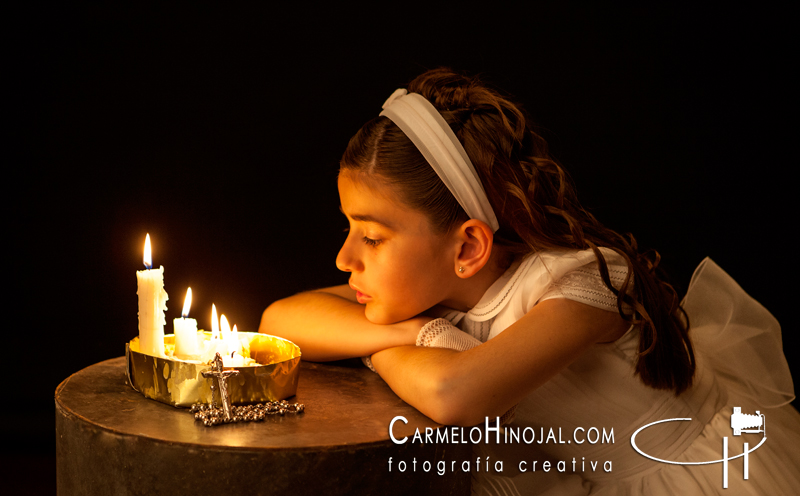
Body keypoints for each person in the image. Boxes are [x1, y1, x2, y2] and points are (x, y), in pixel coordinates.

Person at [259, 68, 799, 494]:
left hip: (702, 475)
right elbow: (278, 322)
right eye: (348, 228)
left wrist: (421, 343)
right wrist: (415, 334)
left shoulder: (584, 283)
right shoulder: (433, 294)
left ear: (467, 247)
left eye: (372, 238)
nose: (342, 257)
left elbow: (454, 392)